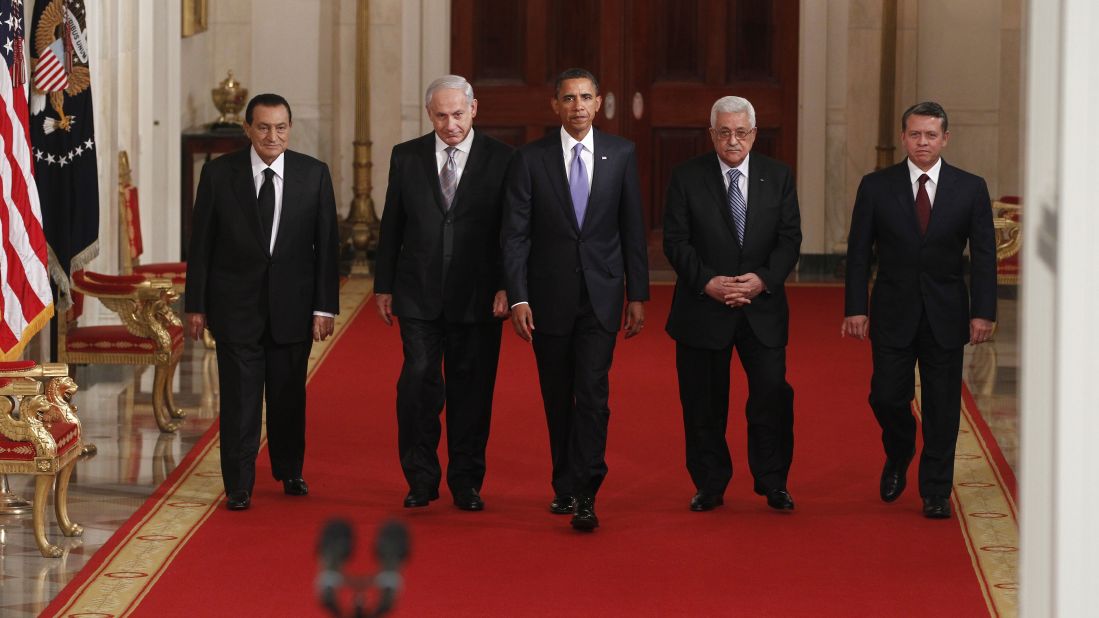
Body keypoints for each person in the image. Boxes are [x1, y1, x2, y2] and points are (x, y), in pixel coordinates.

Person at [502, 67, 649, 532]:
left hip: (603, 296)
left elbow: (632, 230)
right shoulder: (530, 159)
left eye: (586, 97)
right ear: (555, 105)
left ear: (600, 102)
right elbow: (515, 236)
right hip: (548, 299)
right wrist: (519, 296)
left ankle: (587, 490)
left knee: (593, 394)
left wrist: (638, 295)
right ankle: (564, 484)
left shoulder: (621, 154)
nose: (578, 106)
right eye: (569, 98)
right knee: (557, 397)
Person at [185, 93, 340, 511]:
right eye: (265, 127)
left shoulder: (314, 175)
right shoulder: (219, 175)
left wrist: (324, 308)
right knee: (240, 399)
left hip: (293, 308)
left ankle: (290, 470)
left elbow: (327, 248)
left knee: (289, 397)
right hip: (235, 308)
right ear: (248, 129)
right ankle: (238, 484)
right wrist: (195, 305)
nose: (274, 136)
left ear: (290, 128)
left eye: (281, 127)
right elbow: (200, 245)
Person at [842, 101, 996, 519]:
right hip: (892, 309)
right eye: (915, 134)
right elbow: (858, 253)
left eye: (931, 135)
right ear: (903, 137)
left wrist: (983, 312)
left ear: (945, 138)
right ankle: (900, 447)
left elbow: (984, 256)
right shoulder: (876, 186)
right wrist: (855, 307)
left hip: (946, 313)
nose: (922, 142)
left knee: (943, 407)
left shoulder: (970, 187)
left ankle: (935, 491)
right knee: (886, 396)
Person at [374, 75, 514, 511]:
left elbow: (513, 231)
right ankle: (420, 478)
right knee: (417, 383)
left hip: (479, 295)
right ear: (429, 114)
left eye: (457, 114)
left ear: (474, 109)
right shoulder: (407, 156)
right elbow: (392, 223)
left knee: (472, 390)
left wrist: (510, 285)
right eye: (440, 115)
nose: (450, 124)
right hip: (418, 292)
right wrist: (383, 284)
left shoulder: (504, 159)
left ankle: (467, 481)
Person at [663, 96, 802, 513]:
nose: (733, 140)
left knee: (771, 396)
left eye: (741, 132)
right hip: (703, 307)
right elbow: (675, 240)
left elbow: (790, 238)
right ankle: (710, 483)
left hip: (762, 307)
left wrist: (762, 280)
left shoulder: (778, 176)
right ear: (712, 135)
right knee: (703, 403)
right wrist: (708, 282)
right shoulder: (687, 177)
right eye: (724, 132)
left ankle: (773, 481)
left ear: (754, 134)